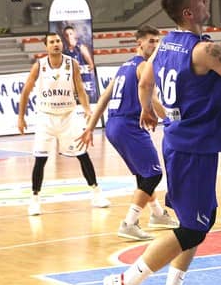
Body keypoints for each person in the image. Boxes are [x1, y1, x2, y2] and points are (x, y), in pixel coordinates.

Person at [103, 0, 221, 285]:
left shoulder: (163, 44)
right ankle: (126, 282)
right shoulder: (203, 51)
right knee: (192, 229)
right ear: (189, 12)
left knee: (205, 218)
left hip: (183, 143)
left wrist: (147, 109)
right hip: (193, 147)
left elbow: (144, 81)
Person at [82, 25, 177, 241]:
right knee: (153, 174)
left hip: (114, 126)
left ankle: (157, 214)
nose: (155, 45)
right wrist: (169, 120)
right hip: (128, 125)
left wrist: (90, 127)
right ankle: (129, 223)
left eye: (157, 41)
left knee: (144, 173)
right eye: (151, 41)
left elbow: (104, 98)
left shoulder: (124, 67)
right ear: (139, 43)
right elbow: (152, 98)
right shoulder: (143, 66)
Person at [17, 32, 110, 216]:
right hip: (46, 117)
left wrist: (87, 109)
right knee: (40, 159)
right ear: (46, 46)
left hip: (69, 115)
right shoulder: (39, 65)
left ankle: (96, 193)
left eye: (58, 41)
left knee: (82, 154)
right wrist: (21, 117)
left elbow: (80, 88)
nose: (56, 44)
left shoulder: (72, 63)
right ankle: (35, 200)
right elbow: (26, 91)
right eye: (52, 42)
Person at [61, 24, 97, 101]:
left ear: (74, 34)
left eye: (70, 34)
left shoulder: (81, 47)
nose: (69, 36)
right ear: (64, 37)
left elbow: (91, 64)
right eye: (66, 35)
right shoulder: (65, 52)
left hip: (84, 82)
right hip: (73, 82)